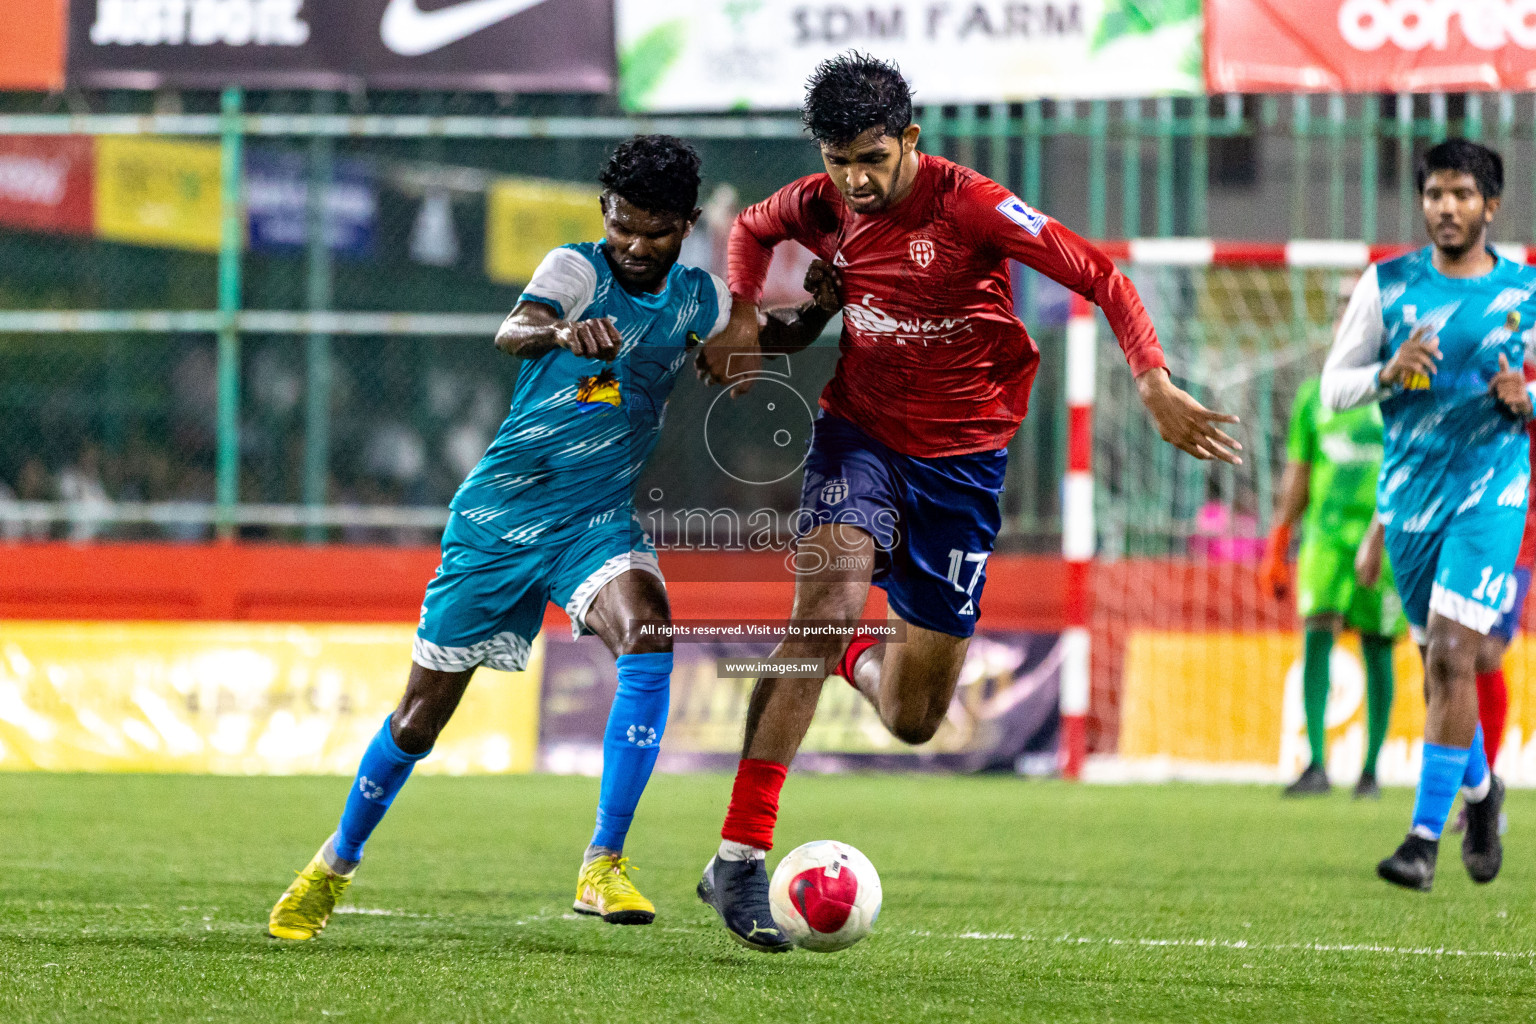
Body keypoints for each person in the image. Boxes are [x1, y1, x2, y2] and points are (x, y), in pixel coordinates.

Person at [692, 52, 1241, 951]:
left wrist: (1151, 381)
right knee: (820, 614)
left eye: (874, 157)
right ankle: (741, 858)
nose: (857, 181)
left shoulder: (970, 204)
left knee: (914, 719)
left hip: (963, 466)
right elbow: (750, 230)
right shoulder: (819, 203)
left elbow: (1100, 273)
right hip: (857, 436)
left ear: (910, 140)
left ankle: (852, 658)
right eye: (839, 162)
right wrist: (745, 315)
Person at [266, 135, 840, 940]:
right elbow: (515, 328)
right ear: (605, 212)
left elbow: (756, 341)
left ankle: (602, 862)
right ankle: (333, 864)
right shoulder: (576, 269)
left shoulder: (698, 296)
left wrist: (815, 309)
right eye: (623, 224)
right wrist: (562, 334)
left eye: (657, 231)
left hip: (593, 520)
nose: (635, 245)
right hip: (499, 520)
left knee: (649, 634)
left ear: (687, 226)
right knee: (417, 722)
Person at [1320, 138, 1531, 892]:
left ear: (1490, 206)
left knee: (1452, 655)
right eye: (1436, 194)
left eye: (1463, 195)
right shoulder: (1387, 286)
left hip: (1492, 494)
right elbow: (1331, 392)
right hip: (1410, 503)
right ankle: (1481, 794)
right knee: (1437, 670)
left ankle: (1419, 840)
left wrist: (1527, 399)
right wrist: (1385, 371)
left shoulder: (1525, 294)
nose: (1447, 207)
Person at [1259, 376, 1404, 799]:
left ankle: (1371, 770)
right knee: (1318, 630)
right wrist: (1279, 539)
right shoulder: (1315, 395)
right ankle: (1316, 764)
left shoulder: (1395, 389)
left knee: (1378, 643)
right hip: (1325, 539)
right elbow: (1298, 471)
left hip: (1382, 535)